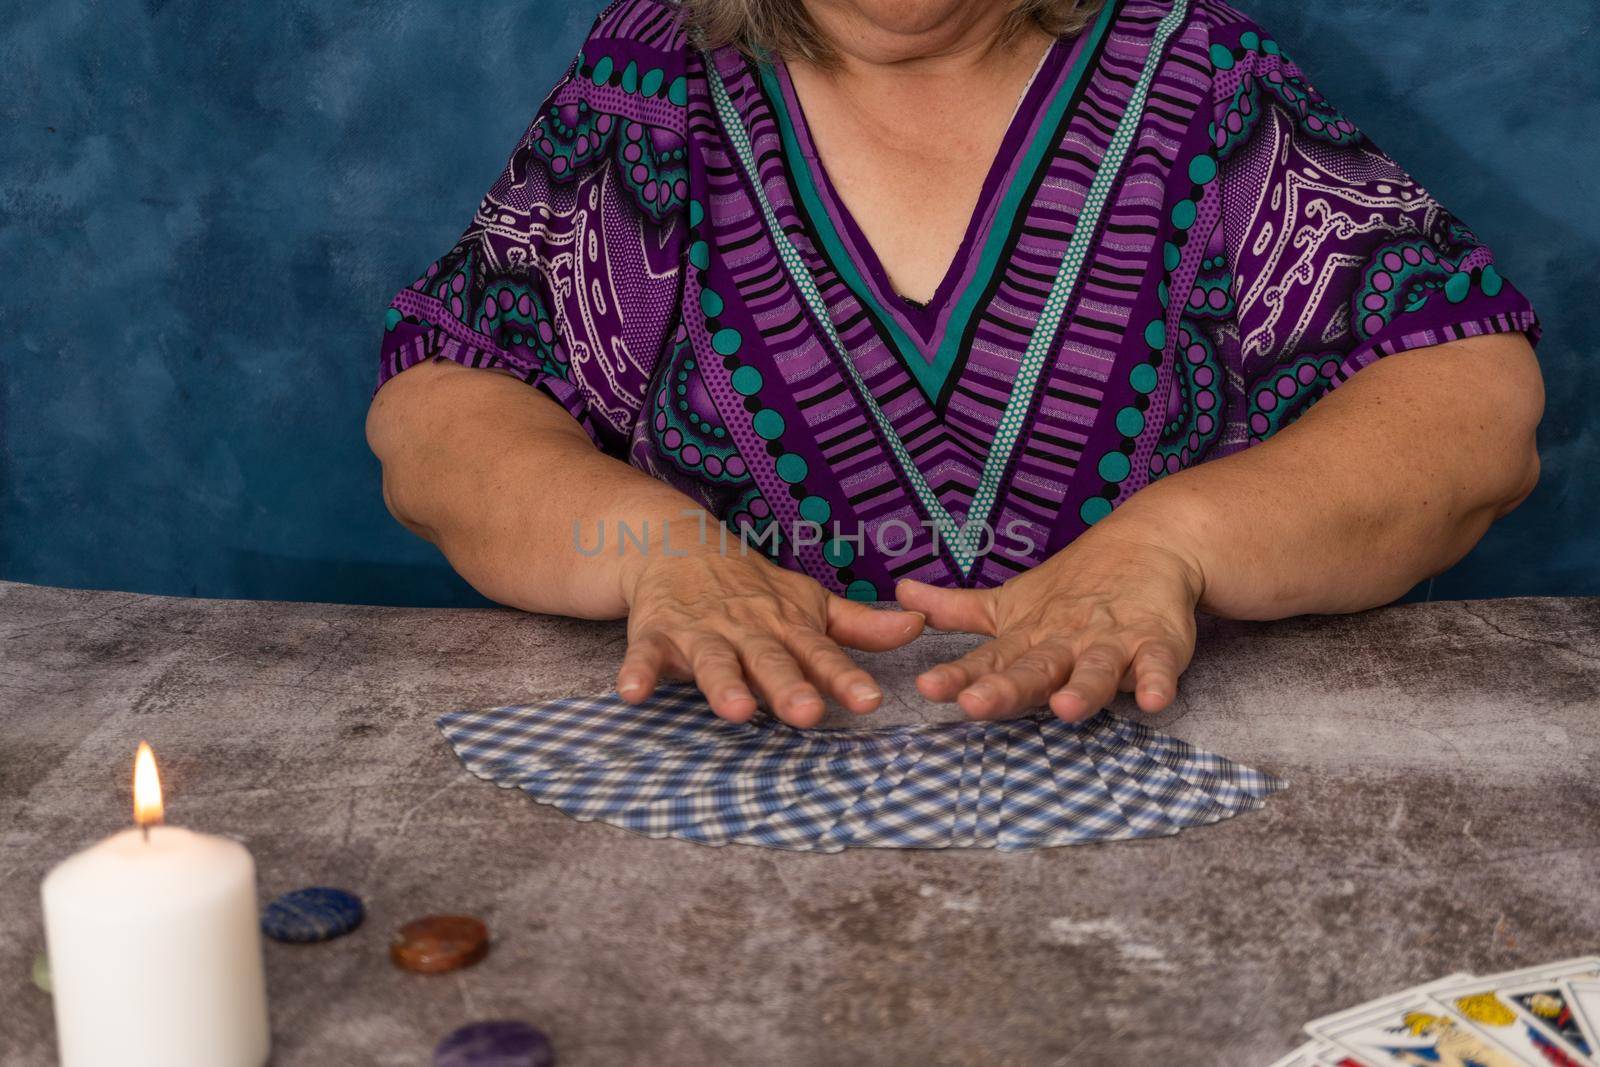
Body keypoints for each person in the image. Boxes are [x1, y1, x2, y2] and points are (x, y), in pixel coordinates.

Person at [366, 0, 1543, 729]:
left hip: (1160, 760)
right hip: (738, 774)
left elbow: (1468, 407)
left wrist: (1179, 544)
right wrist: (654, 550)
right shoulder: (652, 82)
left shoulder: (1198, 73)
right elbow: (445, 416)